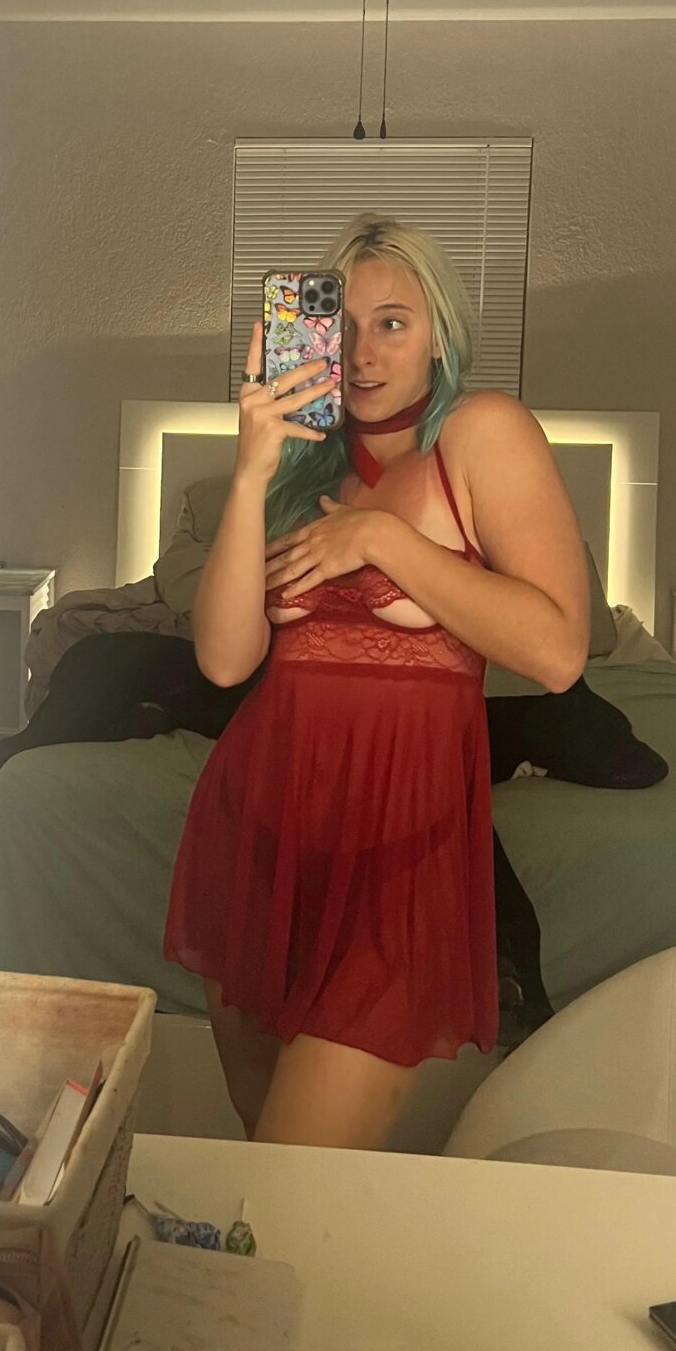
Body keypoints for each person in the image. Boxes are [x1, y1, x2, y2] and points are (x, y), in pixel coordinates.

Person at [164, 214, 590, 1149]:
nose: (361, 354)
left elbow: (558, 651)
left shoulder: (482, 433)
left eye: (392, 323)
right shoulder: (301, 467)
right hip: (259, 839)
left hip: (401, 857)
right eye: (341, 326)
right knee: (266, 1172)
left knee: (293, 1165)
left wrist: (383, 540)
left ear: (439, 333)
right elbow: (225, 659)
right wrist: (251, 471)